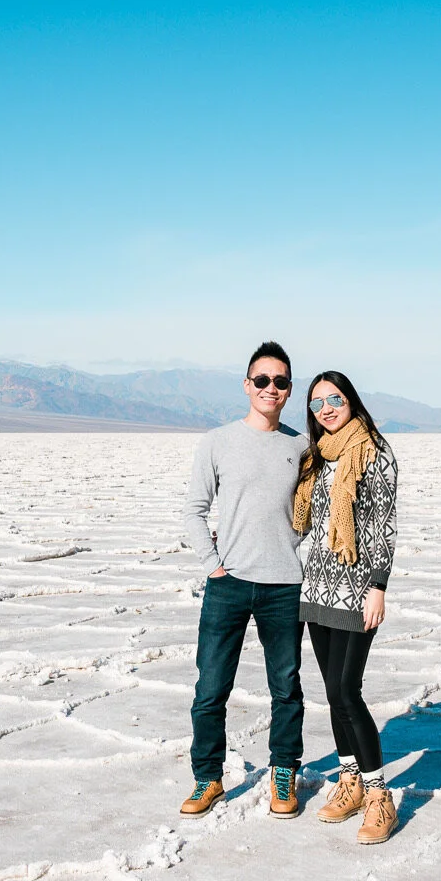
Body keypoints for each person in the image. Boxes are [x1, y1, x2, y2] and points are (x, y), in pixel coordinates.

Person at [179, 341, 308, 818]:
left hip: (284, 586)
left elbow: (312, 510)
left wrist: (292, 545)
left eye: (280, 381)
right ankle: (208, 778)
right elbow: (194, 510)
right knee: (211, 690)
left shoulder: (301, 446)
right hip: (228, 583)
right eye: (262, 380)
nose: (271, 388)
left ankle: (283, 773)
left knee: (286, 689)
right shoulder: (217, 442)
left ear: (289, 390)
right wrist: (212, 564)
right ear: (247, 385)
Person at [293, 370, 399, 844]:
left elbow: (383, 524)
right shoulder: (316, 456)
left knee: (347, 689)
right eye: (317, 404)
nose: (327, 410)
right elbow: (304, 521)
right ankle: (350, 781)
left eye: (334, 399)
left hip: (357, 588)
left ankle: (378, 795)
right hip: (317, 588)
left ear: (351, 399)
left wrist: (378, 585)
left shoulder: (374, 450)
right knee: (333, 694)